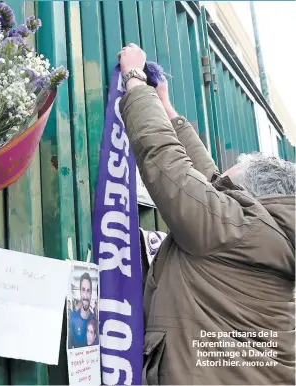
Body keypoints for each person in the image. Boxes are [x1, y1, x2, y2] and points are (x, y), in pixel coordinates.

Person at [118, 43, 295, 385]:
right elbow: (210, 181)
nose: (216, 184)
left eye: (227, 185)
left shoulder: (236, 229)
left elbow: (166, 160)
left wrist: (136, 82)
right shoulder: (266, 232)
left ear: (251, 195)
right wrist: (168, 109)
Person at [68, 272, 95, 349]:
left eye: (88, 290)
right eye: (83, 290)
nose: (86, 296)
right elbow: (69, 346)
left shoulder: (94, 320)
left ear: (91, 294)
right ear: (80, 292)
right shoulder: (73, 318)